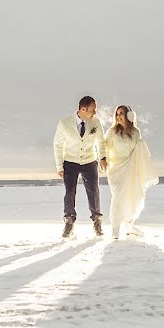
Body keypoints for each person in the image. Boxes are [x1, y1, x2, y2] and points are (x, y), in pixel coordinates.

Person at [53, 96, 108, 238]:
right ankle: (69, 222)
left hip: (90, 161)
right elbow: (58, 145)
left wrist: (102, 157)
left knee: (94, 192)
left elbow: (101, 142)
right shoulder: (64, 123)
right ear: (82, 109)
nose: (94, 113)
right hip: (70, 162)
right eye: (92, 110)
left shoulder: (95, 123)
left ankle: (97, 221)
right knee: (69, 192)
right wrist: (59, 166)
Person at [104, 105, 158, 239]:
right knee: (117, 198)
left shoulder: (135, 132)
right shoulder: (112, 132)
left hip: (132, 169)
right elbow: (105, 148)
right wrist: (103, 159)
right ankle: (115, 228)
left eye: (121, 113)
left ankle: (129, 225)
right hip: (116, 170)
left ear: (129, 115)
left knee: (133, 196)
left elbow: (138, 151)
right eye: (117, 114)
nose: (118, 116)